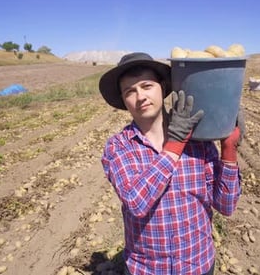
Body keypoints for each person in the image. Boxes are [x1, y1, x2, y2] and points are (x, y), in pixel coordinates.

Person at [99, 52, 242, 275]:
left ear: (163, 88)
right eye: (130, 91)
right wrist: (175, 144)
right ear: (123, 101)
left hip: (198, 264)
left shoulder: (199, 143)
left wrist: (229, 150)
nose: (140, 97)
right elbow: (136, 202)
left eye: (147, 86)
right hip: (147, 269)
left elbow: (226, 206)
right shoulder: (118, 147)